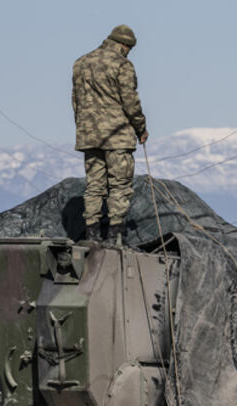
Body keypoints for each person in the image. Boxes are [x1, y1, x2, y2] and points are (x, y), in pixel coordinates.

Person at [72, 24, 149, 245]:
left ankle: (92, 235)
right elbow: (130, 102)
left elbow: (75, 101)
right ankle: (116, 236)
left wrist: (84, 127)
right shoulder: (122, 65)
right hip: (117, 137)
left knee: (94, 186)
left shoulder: (81, 63)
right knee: (119, 186)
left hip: (88, 136)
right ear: (125, 46)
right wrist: (140, 129)